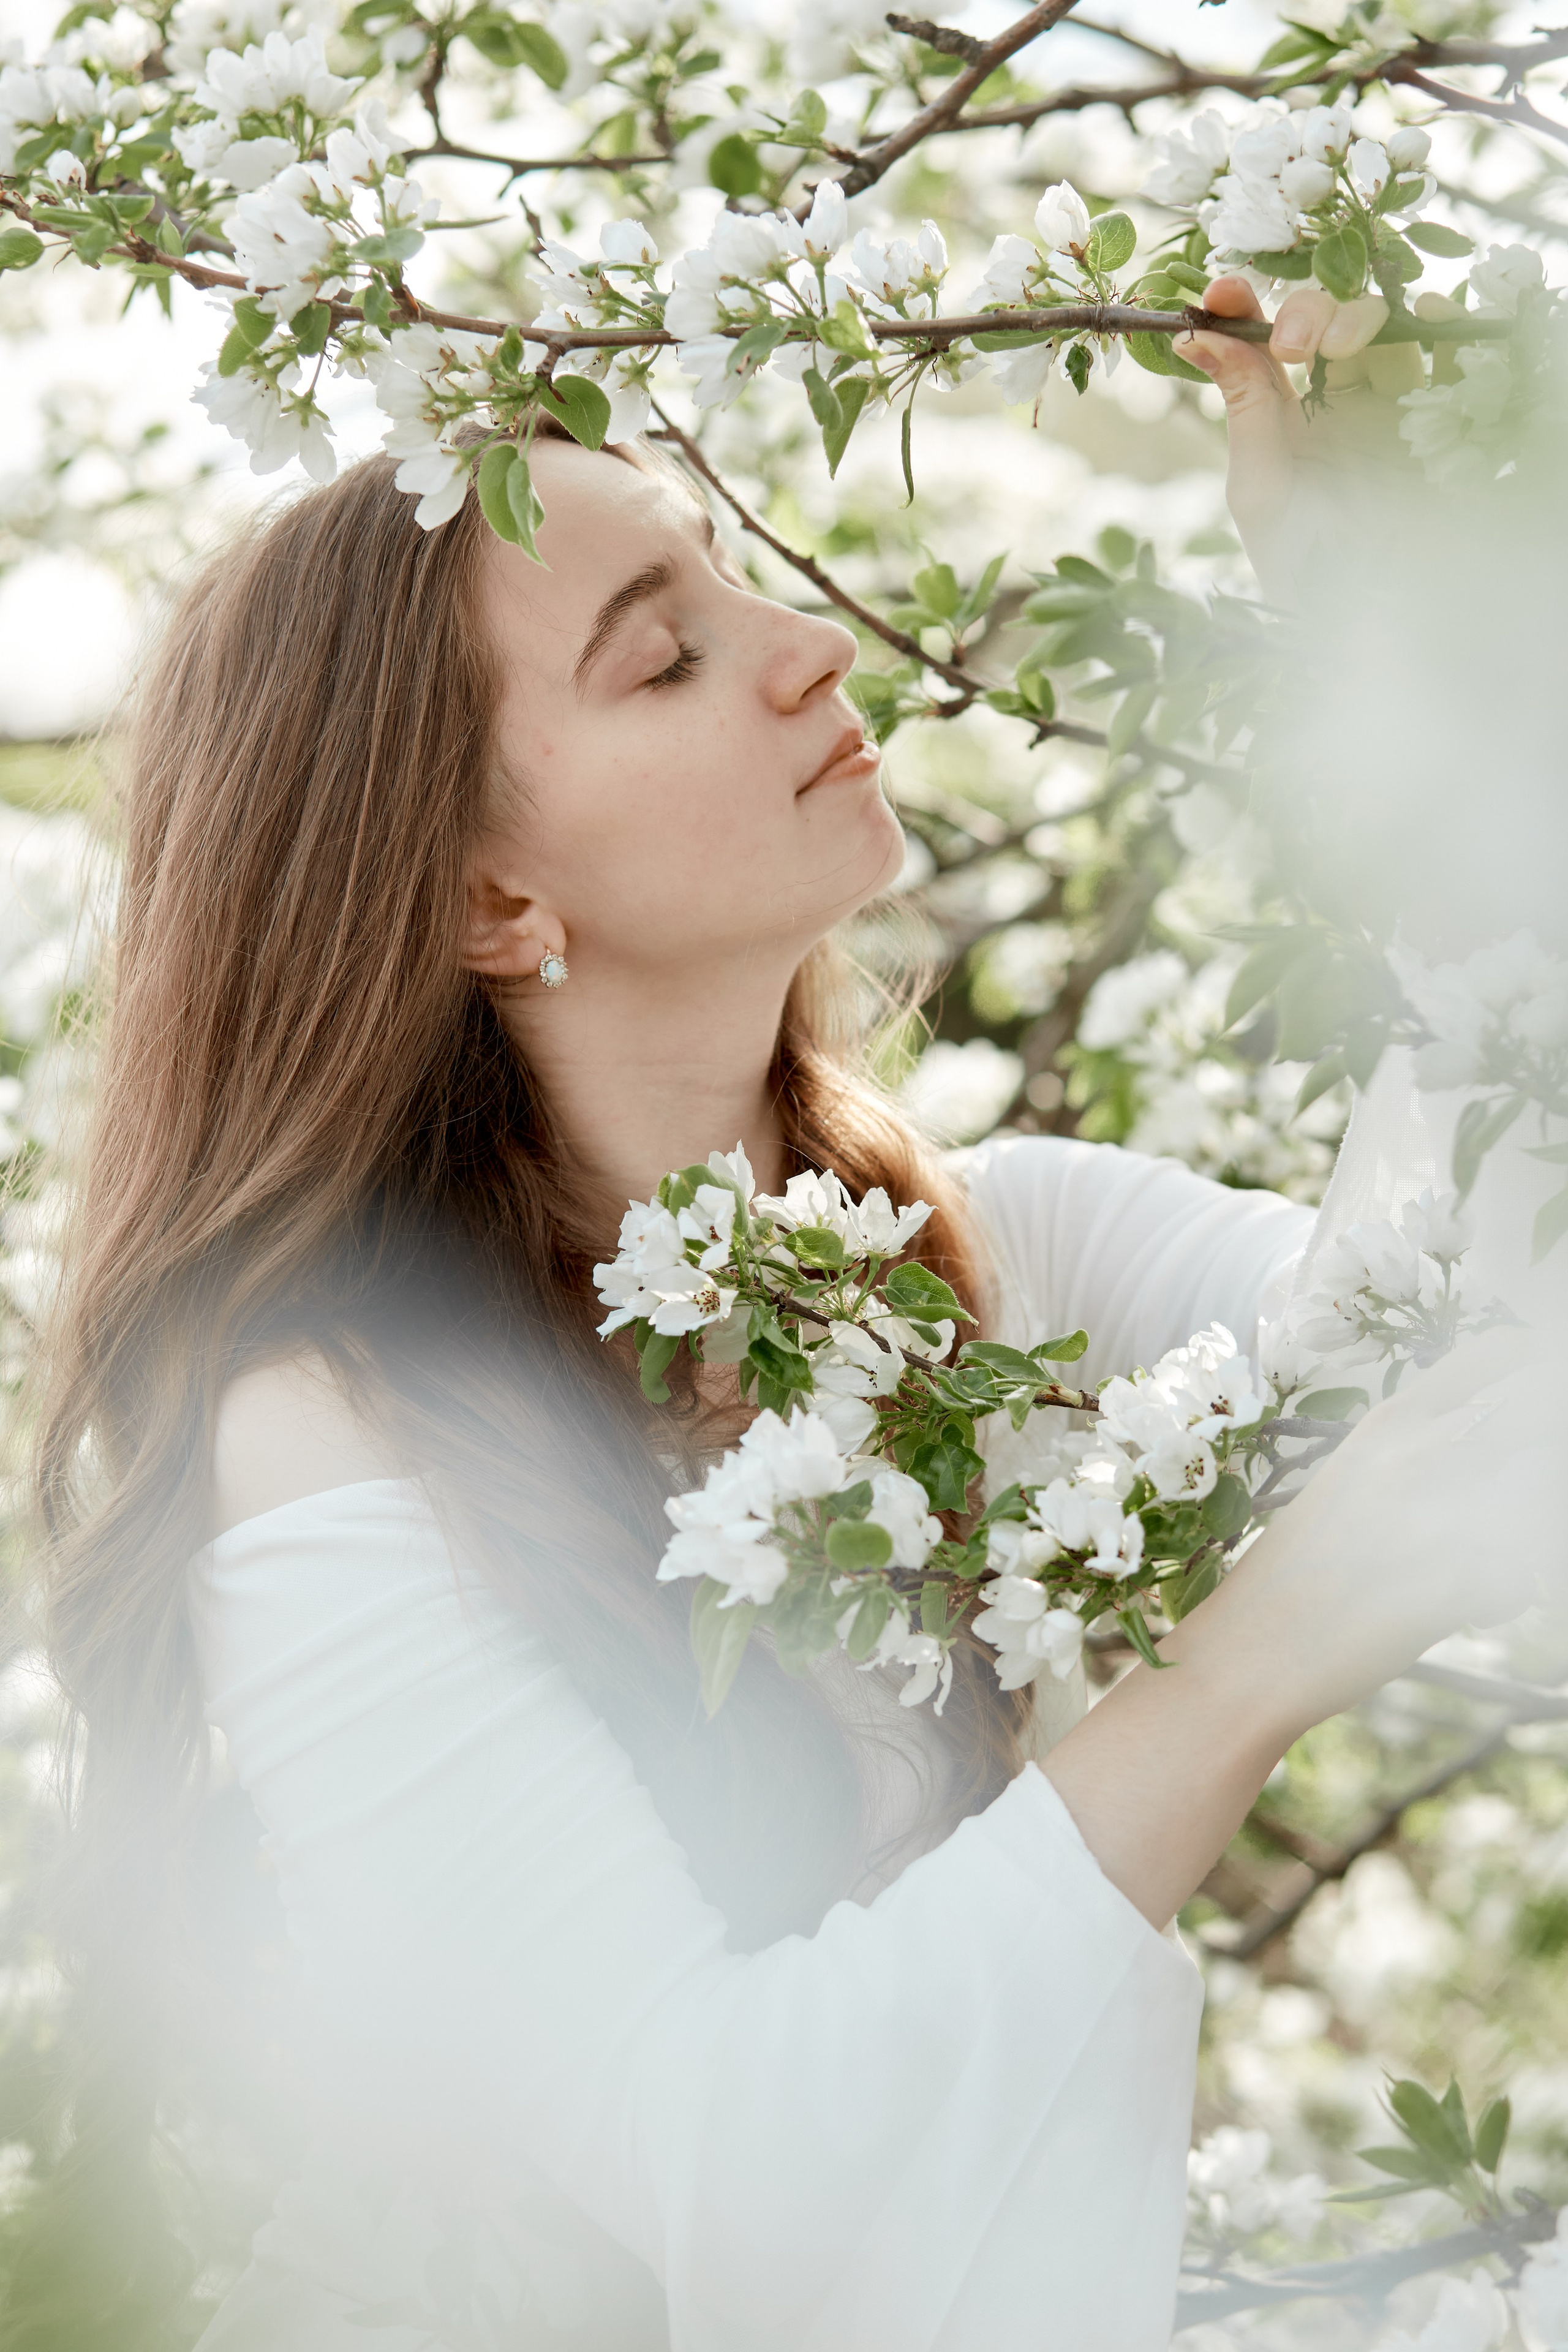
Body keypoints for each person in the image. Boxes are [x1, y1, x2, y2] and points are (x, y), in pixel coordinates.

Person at [23, 285, 1558, 2352]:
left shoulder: (1006, 1260)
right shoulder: (333, 1430)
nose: (810, 646)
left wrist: (1413, 660)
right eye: (663, 655)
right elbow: (720, 2170)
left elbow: (1493, 1345)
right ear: (488, 902)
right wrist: (1249, 1664)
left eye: (737, 583)